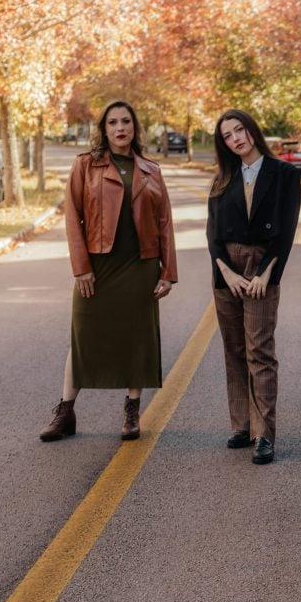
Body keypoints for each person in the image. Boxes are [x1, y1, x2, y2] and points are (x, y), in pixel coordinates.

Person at [40, 101, 177, 442]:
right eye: (113, 122)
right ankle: (65, 411)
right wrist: (81, 268)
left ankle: (132, 411)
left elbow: (164, 223)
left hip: (140, 265)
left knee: (137, 338)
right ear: (103, 129)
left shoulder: (150, 169)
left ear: (135, 127)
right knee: (82, 335)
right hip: (98, 266)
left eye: (126, 121)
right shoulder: (85, 166)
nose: (120, 128)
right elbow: (73, 218)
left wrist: (167, 272)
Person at [207, 109, 301, 465]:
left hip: (264, 266)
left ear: (251, 130)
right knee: (233, 349)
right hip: (226, 271)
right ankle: (241, 425)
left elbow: (287, 231)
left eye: (239, 129)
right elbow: (212, 235)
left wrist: (266, 274)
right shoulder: (221, 179)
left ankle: (264, 435)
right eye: (228, 135)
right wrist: (226, 273)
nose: (236, 138)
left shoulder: (284, 174)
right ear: (225, 143)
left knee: (258, 350)